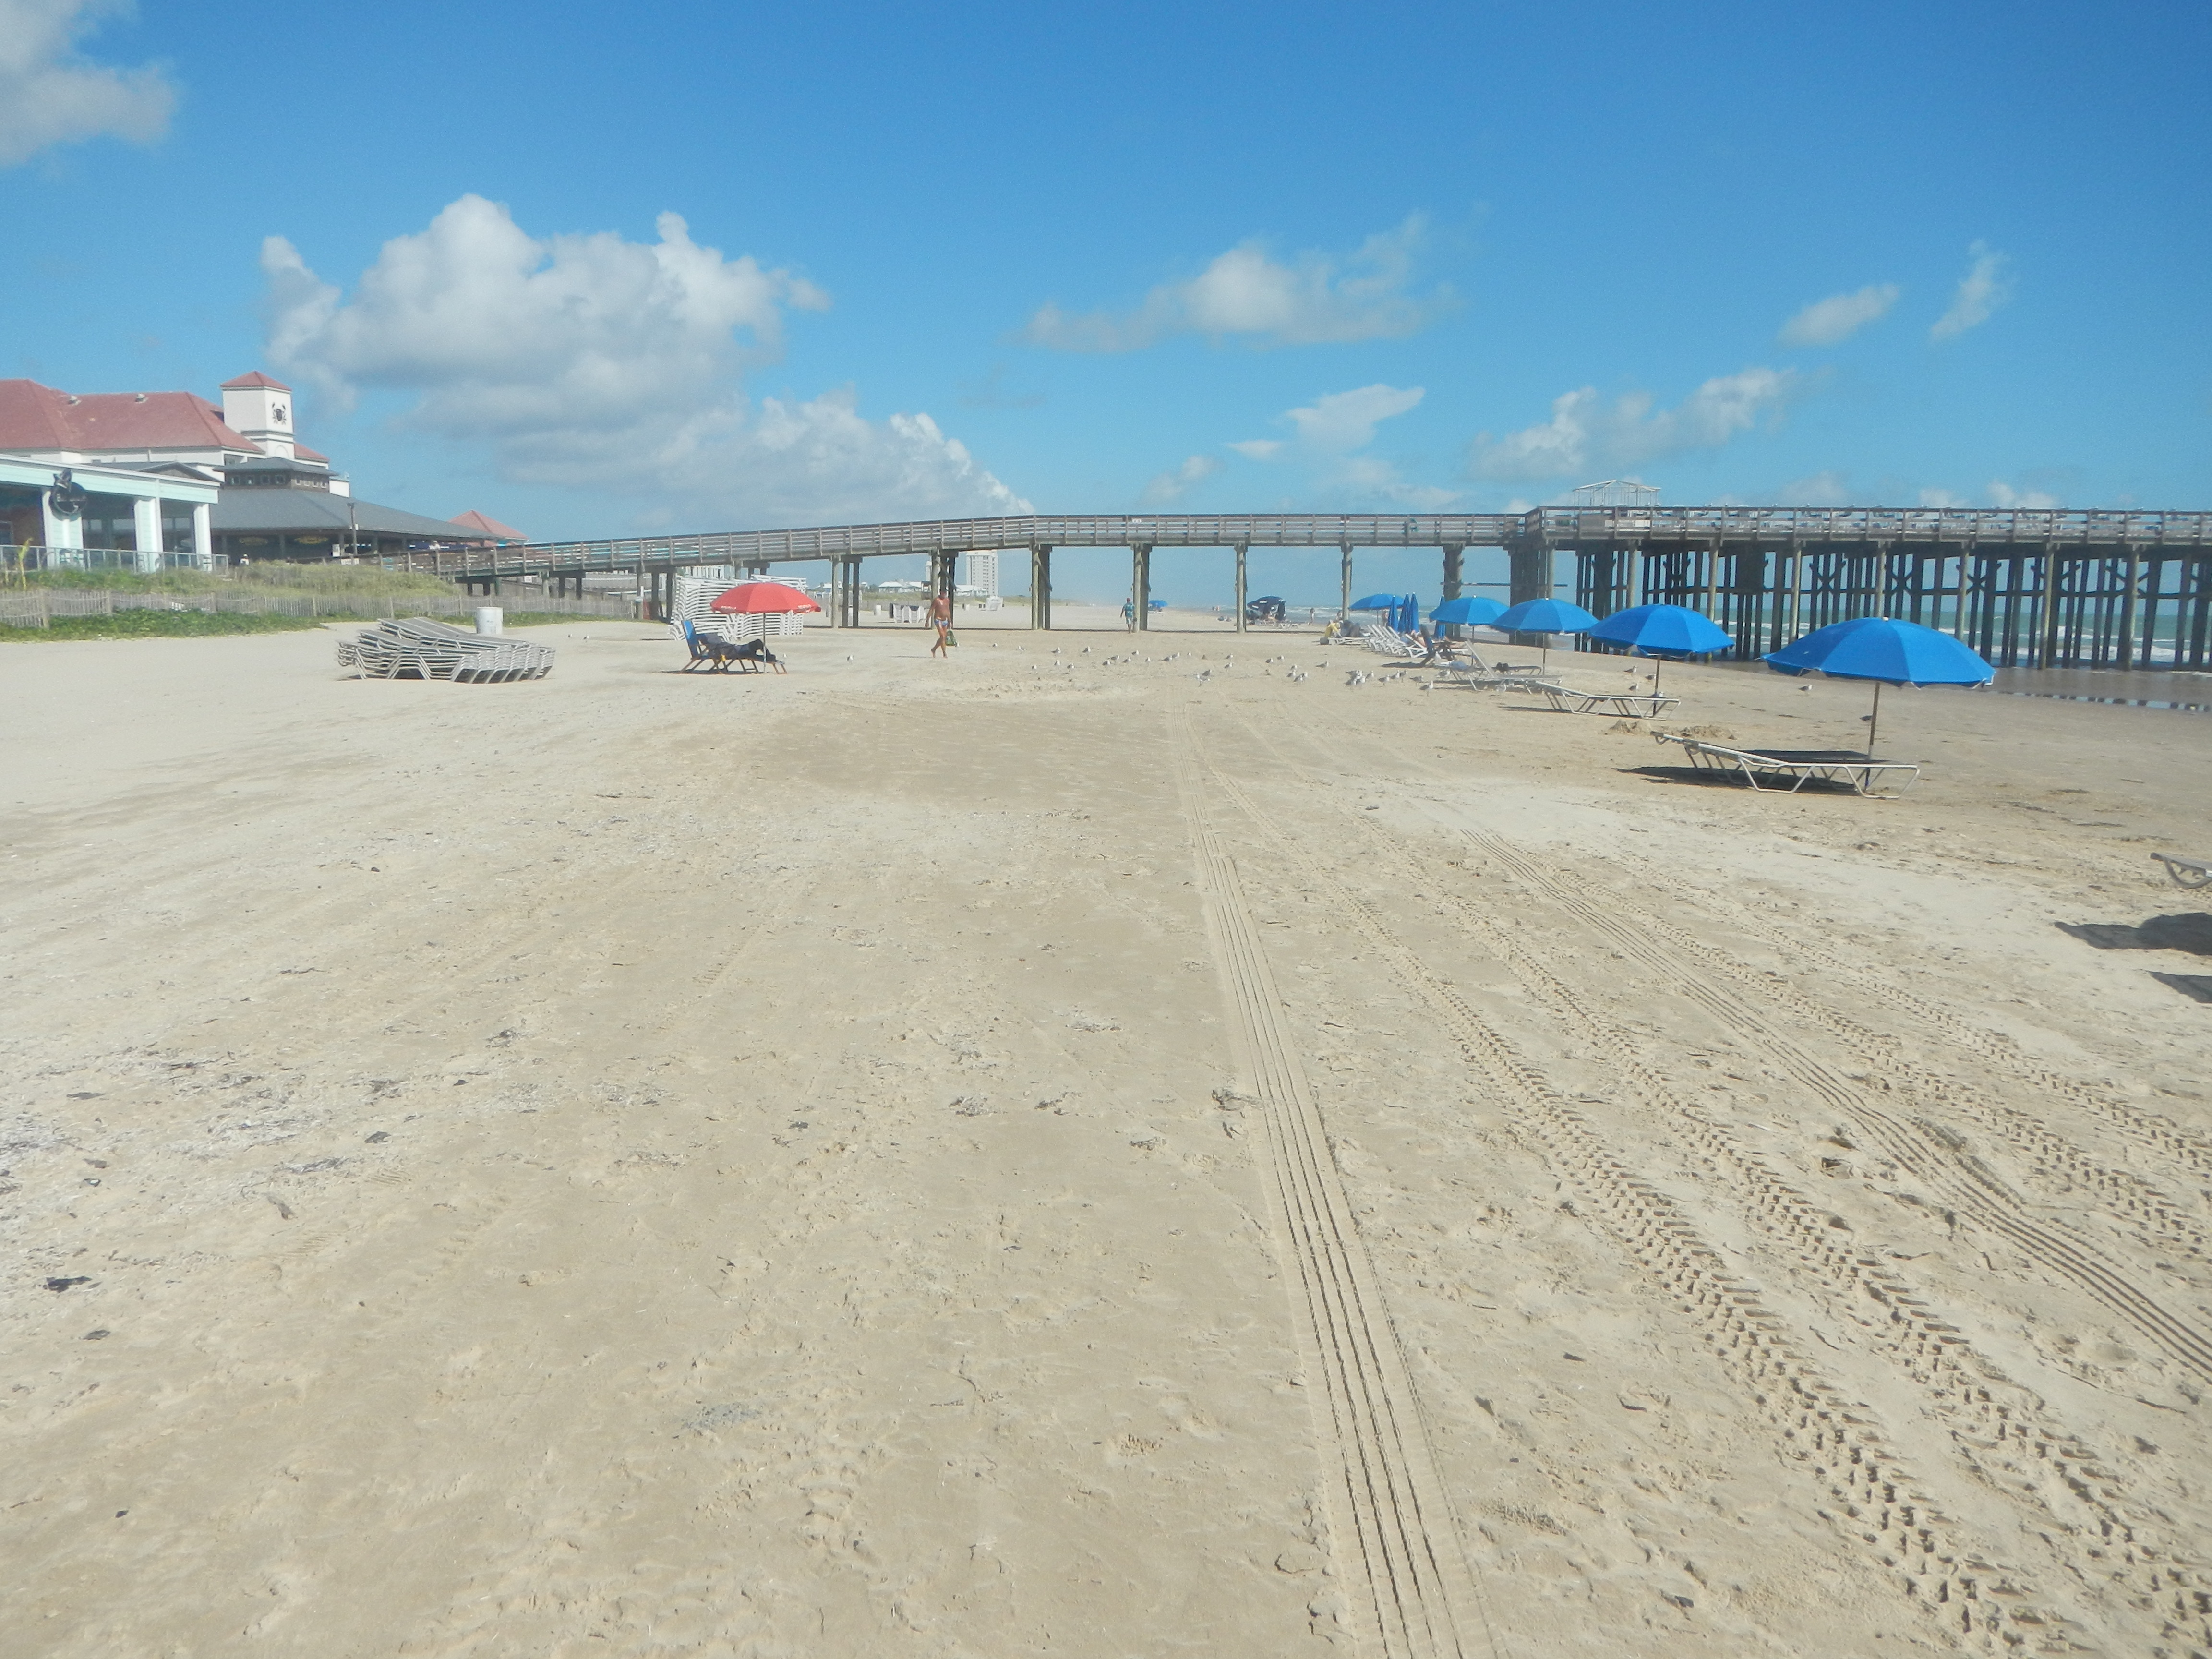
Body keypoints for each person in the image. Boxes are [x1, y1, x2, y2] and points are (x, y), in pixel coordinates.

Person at [929, 588, 954, 657]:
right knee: (943, 636)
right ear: (940, 592)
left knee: (943, 637)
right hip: (938, 620)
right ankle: (943, 653)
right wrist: (927, 620)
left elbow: (948, 611)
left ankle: (935, 650)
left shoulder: (947, 600)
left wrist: (950, 621)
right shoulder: (937, 600)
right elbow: (931, 610)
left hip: (945, 620)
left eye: (945, 592)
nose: (944, 594)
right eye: (943, 592)